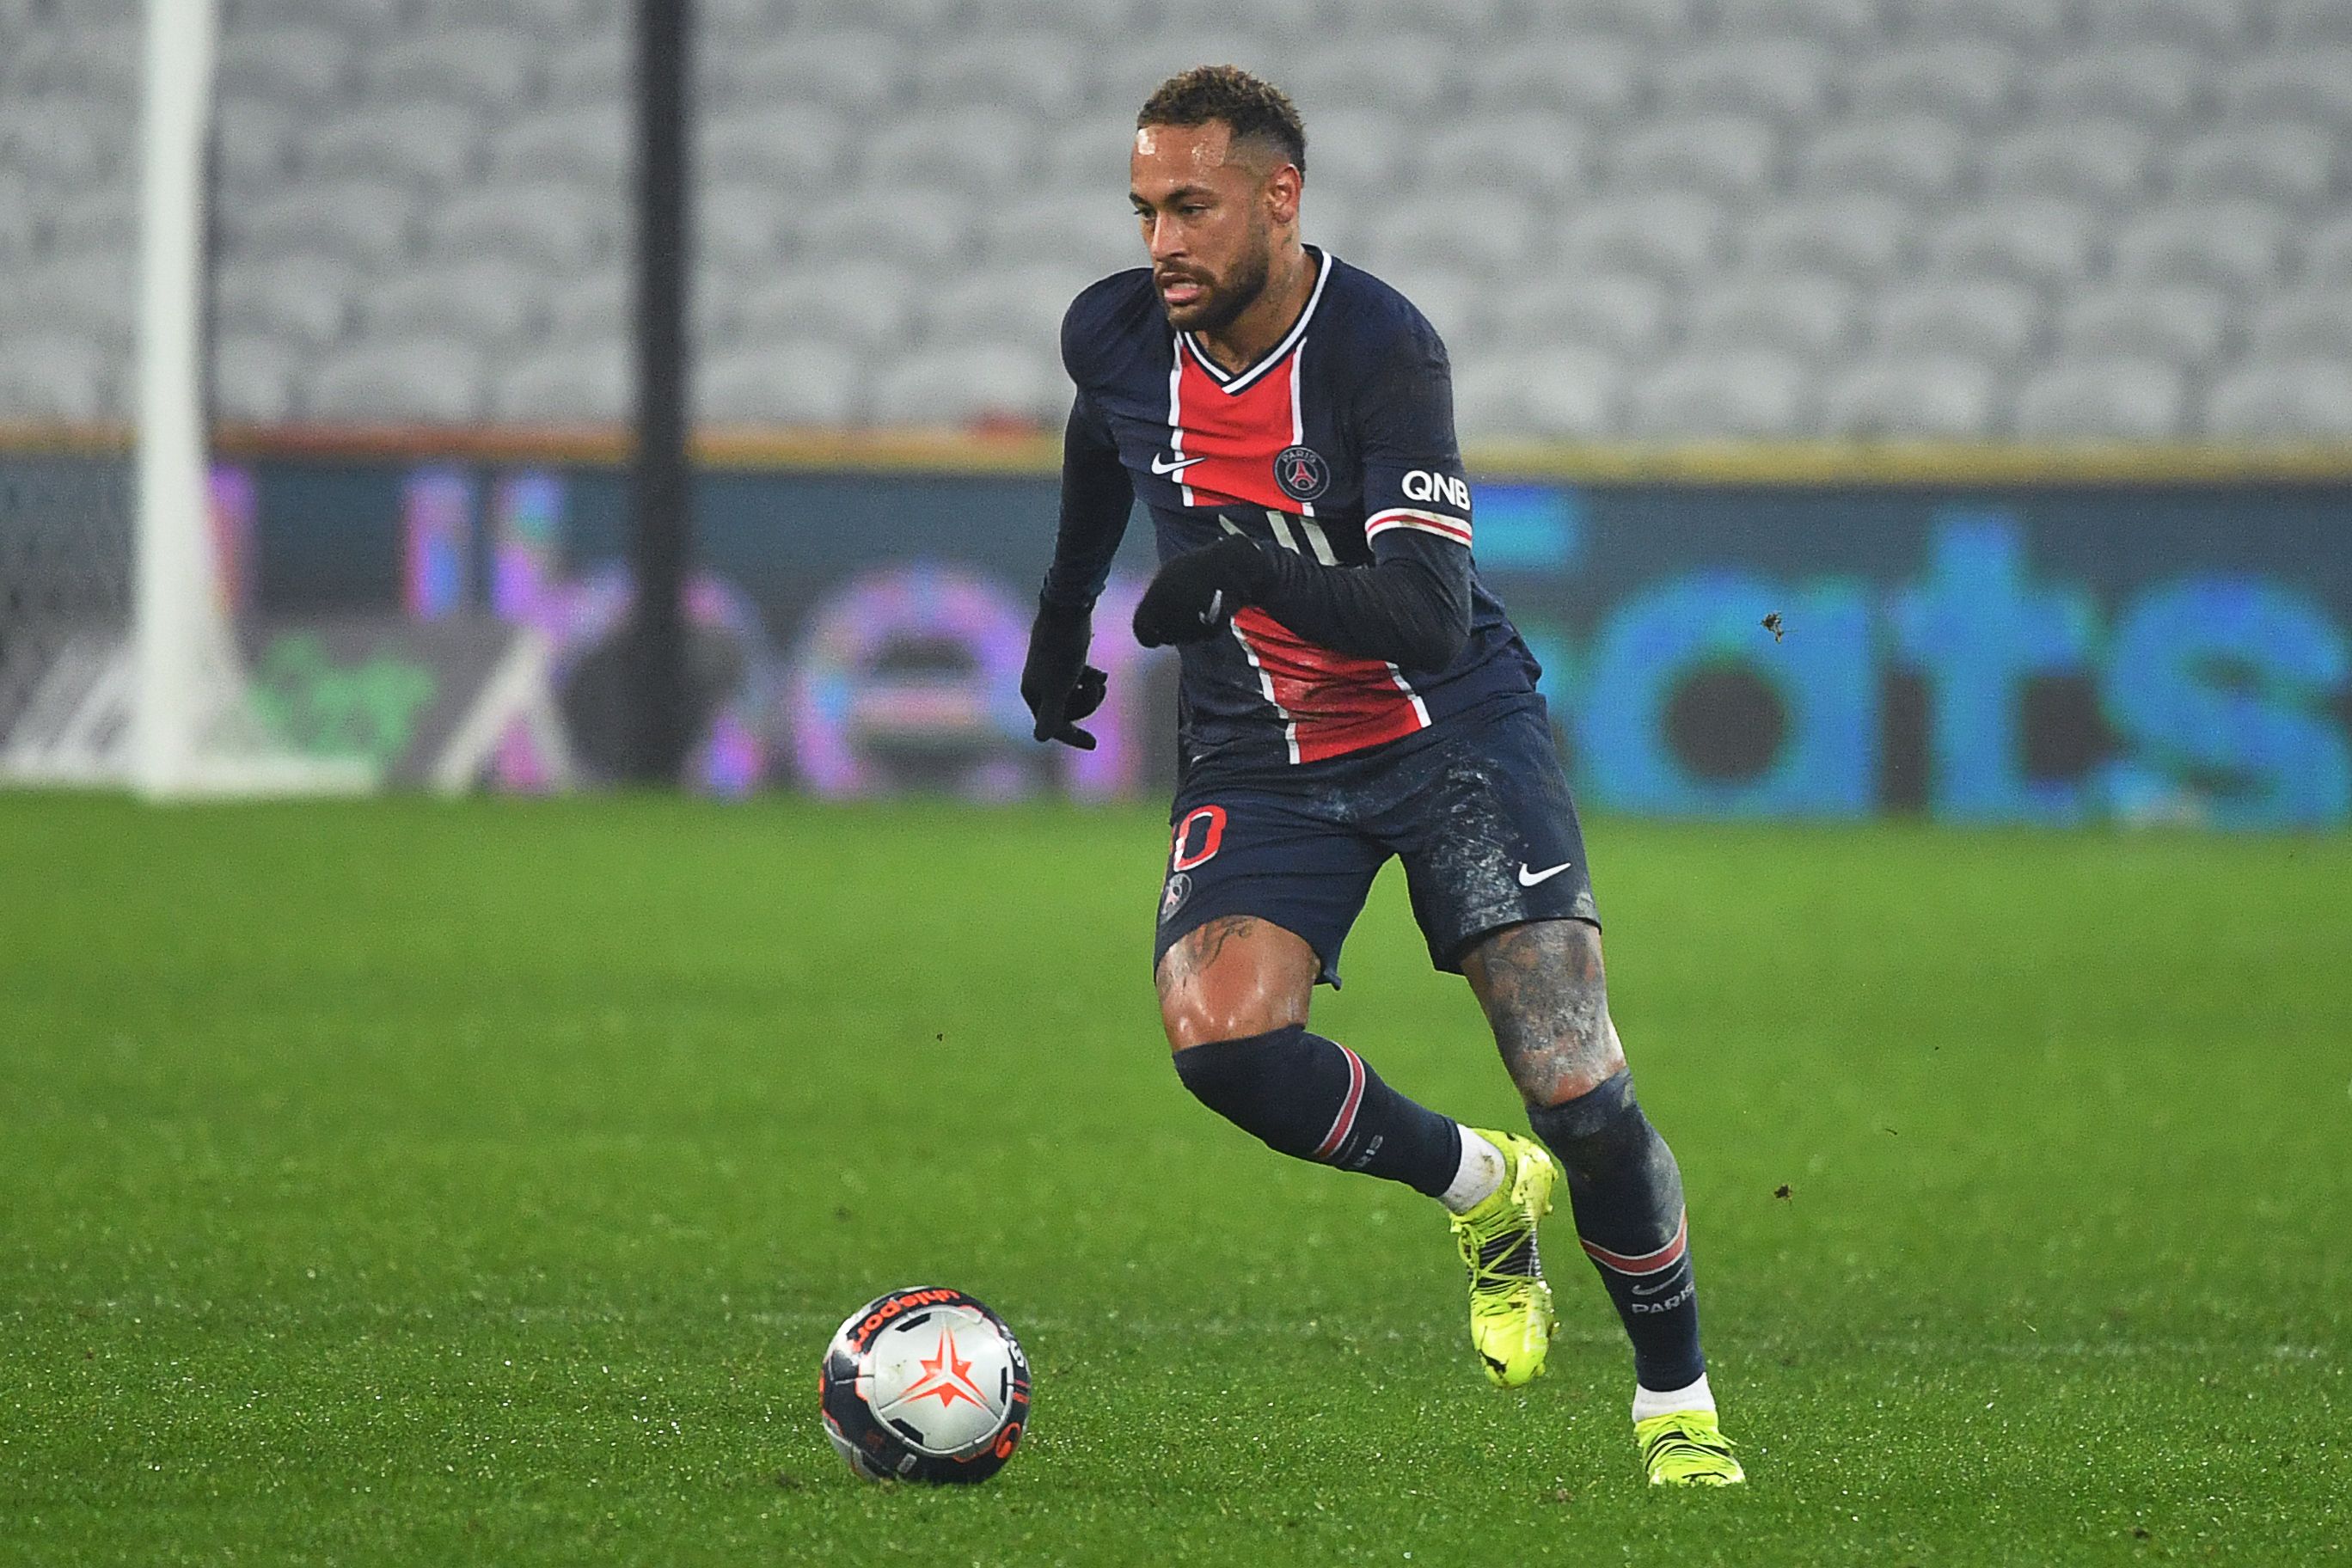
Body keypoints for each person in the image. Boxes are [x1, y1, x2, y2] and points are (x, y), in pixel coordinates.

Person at [1020, 64, 1743, 1487]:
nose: (1161, 239)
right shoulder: (1113, 332)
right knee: (1223, 1045)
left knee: (1580, 1091)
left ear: (1279, 199)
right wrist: (1058, 632)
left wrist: (1236, 567)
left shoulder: (1379, 348)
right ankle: (1480, 1191)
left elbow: (1423, 610)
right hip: (1262, 751)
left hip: (1446, 731)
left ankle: (1678, 1403)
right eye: (1145, 207)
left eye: (1193, 207)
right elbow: (1102, 446)